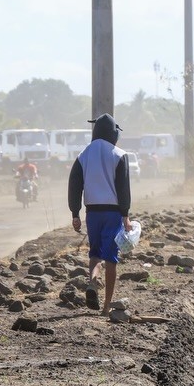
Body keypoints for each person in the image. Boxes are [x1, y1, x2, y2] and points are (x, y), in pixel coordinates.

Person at [68, 113, 134, 314]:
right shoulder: (119, 154)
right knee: (111, 259)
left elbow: (74, 185)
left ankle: (92, 282)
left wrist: (75, 213)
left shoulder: (83, 154)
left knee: (95, 255)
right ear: (113, 133)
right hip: (112, 213)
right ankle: (106, 306)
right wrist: (125, 215)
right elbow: (123, 188)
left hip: (92, 213)